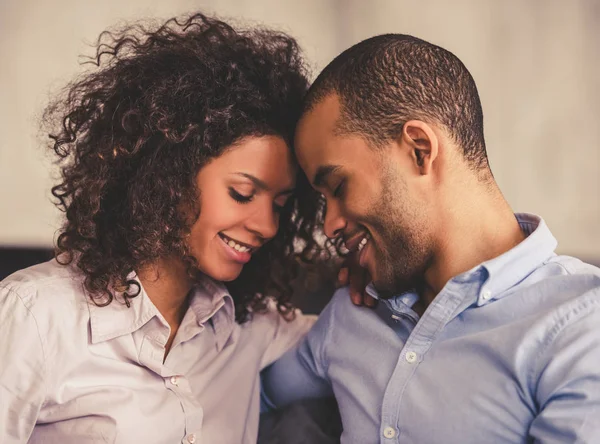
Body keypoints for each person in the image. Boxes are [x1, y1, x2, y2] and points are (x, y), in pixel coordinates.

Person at [0, 12, 331, 443]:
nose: (268, 225)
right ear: (170, 176)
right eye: (242, 193)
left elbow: (365, 342)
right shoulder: (36, 317)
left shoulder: (249, 328)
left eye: (282, 205)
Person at [262, 34, 600, 443]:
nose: (330, 224)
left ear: (419, 150)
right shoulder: (351, 314)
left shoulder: (581, 328)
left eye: (338, 186)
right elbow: (242, 396)